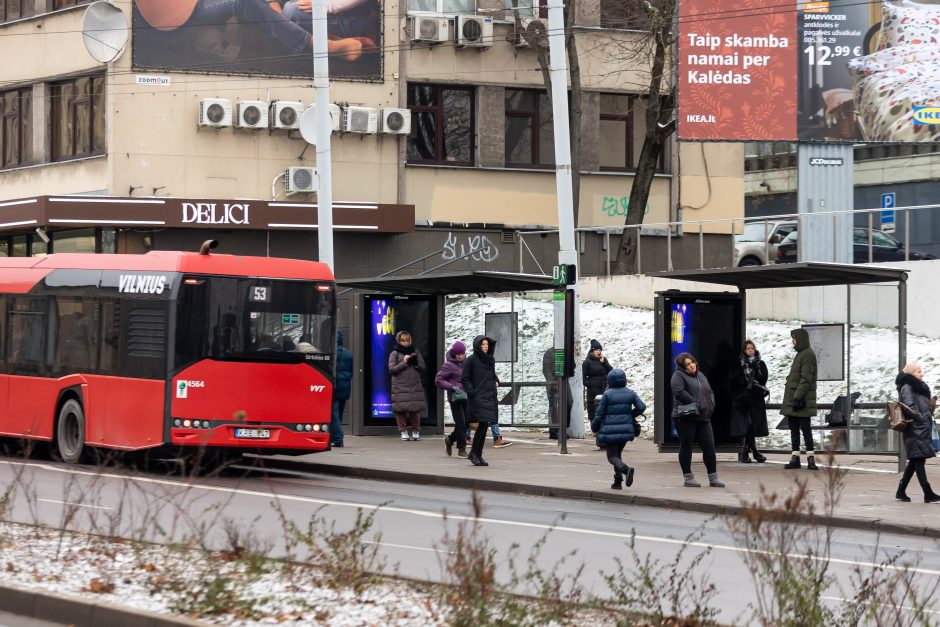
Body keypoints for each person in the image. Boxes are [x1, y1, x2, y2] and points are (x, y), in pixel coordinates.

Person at [671, 352, 724, 488]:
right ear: (683, 367)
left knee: (709, 447)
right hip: (685, 417)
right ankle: (688, 478)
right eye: (687, 364)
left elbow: (709, 391)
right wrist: (695, 403)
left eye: (692, 362)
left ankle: (713, 478)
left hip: (703, 417)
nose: (691, 366)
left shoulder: (701, 375)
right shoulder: (678, 376)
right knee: (686, 446)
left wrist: (711, 404)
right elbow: (679, 392)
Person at [591, 368, 645, 490]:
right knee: (617, 455)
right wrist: (631, 415)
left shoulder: (607, 394)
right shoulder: (630, 393)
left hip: (610, 431)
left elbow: (599, 414)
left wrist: (594, 428)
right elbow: (642, 407)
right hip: (626, 430)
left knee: (612, 457)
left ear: (609, 381)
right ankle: (617, 482)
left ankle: (626, 470)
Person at [895, 363, 940, 503]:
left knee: (916, 460)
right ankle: (928, 493)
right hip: (915, 428)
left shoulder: (917, 387)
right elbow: (908, 406)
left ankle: (901, 491)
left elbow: (920, 405)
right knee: (919, 459)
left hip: (921, 428)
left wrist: (929, 408)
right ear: (911, 373)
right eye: (919, 371)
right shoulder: (907, 387)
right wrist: (920, 418)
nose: (922, 374)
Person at [781, 328, 819, 471]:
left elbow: (805, 379)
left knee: (805, 430)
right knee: (794, 430)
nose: (793, 341)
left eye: (794, 338)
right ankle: (795, 458)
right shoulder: (801, 354)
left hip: (801, 400)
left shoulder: (807, 355)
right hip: (794, 400)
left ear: (800, 339)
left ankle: (810, 459)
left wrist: (797, 396)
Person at [728, 340, 769, 464]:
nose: (750, 350)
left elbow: (763, 380)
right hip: (743, 400)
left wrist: (757, 370)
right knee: (748, 425)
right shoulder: (738, 364)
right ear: (744, 351)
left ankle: (748, 451)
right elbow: (732, 381)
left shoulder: (760, 363)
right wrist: (742, 382)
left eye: (752, 348)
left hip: (756, 400)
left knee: (752, 425)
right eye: (748, 348)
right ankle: (753, 452)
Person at [462, 335, 498, 467]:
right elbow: (465, 378)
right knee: (482, 425)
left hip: (489, 396)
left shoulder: (490, 360)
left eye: (487, 344)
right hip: (478, 397)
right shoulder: (471, 360)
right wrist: (473, 392)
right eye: (482, 344)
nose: (485, 346)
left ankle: (476, 454)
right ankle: (475, 454)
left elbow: (492, 375)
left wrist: (496, 381)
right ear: (478, 346)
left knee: (484, 426)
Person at [388, 331, 426, 441]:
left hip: (414, 385)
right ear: (399, 341)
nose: (405, 343)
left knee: (415, 410)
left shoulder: (415, 351)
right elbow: (392, 370)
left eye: (407, 341)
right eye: (403, 341)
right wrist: (404, 362)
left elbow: (423, 367)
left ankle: (416, 430)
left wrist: (416, 363)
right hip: (400, 386)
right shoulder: (394, 353)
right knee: (400, 410)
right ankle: (403, 431)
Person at [435, 341, 469, 458]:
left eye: (462, 354)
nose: (460, 356)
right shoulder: (448, 365)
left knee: (467, 423)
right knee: (461, 422)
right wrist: (452, 387)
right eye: (458, 354)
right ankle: (461, 448)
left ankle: (450, 439)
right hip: (455, 398)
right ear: (454, 353)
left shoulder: (467, 363)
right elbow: (438, 380)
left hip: (467, 396)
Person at [583, 339, 613, 430]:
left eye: (600, 350)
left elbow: (611, 370)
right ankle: (594, 428)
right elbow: (583, 376)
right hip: (593, 389)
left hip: (604, 387)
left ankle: (603, 427)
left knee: (603, 407)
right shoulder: (587, 361)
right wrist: (589, 384)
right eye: (596, 350)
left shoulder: (603, 360)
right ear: (592, 350)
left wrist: (604, 362)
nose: (598, 352)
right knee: (593, 408)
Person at [544, 346, 572, 440]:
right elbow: (546, 370)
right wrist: (553, 383)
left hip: (564, 381)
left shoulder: (566, 352)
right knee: (554, 406)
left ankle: (563, 427)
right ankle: (553, 430)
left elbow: (573, 366)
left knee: (569, 402)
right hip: (553, 383)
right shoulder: (549, 352)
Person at [331, 331, 353, 448]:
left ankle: (338, 439)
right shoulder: (348, 353)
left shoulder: (331, 353)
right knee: (339, 414)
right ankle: (334, 438)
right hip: (346, 387)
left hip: (334, 387)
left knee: (333, 414)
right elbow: (351, 372)